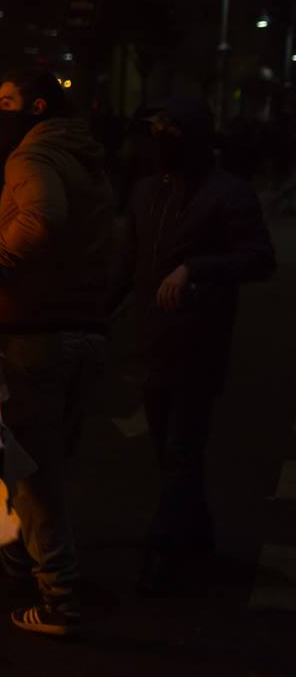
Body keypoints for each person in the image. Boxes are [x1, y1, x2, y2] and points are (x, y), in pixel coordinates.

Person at [0, 68, 115, 637]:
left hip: (41, 333)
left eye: (8, 102)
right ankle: (19, 560)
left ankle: (60, 598)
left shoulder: (29, 159)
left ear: (37, 108)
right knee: (46, 458)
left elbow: (40, 221)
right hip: (86, 330)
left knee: (34, 473)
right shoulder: (84, 160)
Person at [115, 97, 275, 594]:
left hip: (199, 345)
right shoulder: (146, 192)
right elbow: (128, 267)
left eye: (173, 133)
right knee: (171, 451)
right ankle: (197, 538)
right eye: (158, 131)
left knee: (182, 450)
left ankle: (163, 556)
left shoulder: (229, 194)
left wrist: (196, 270)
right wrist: (92, 315)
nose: (162, 142)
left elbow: (259, 258)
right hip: (155, 344)